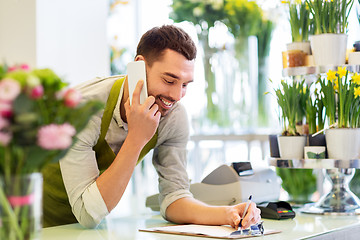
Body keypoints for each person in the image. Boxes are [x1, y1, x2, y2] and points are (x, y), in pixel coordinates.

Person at [42, 25, 261, 229]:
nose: (177, 96)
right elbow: (87, 214)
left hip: (87, 228)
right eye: (169, 80)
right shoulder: (81, 110)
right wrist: (137, 138)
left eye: (185, 85)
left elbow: (174, 197)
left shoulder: (173, 118)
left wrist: (227, 214)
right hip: (30, 222)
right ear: (139, 65)